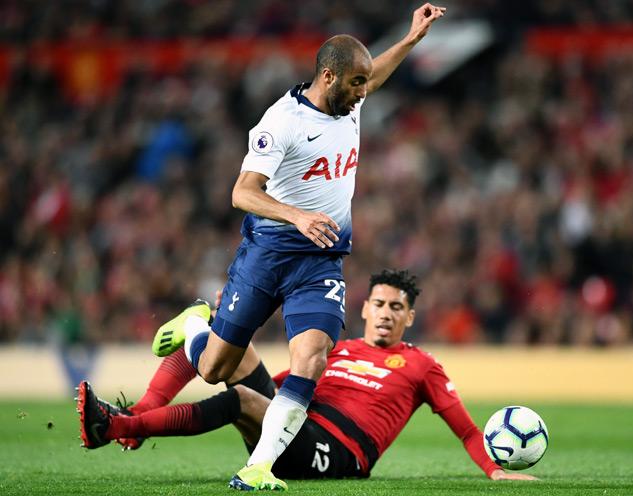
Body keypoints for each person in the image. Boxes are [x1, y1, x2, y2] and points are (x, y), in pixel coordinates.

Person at [149, 4, 447, 491]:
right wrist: (297, 215)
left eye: (364, 83)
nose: (363, 92)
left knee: (312, 355)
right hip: (267, 253)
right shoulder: (282, 121)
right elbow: (241, 192)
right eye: (354, 83)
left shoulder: (351, 99)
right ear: (328, 76)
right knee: (212, 368)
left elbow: (378, 75)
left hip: (321, 259)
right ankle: (196, 324)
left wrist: (412, 39)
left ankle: (258, 467)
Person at [80, 270, 535, 483]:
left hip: (338, 454)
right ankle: (141, 411)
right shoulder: (339, 350)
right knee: (230, 346)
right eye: (378, 304)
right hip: (296, 426)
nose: (385, 314)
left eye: (396, 308)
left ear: (409, 317)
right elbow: (285, 385)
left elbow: (467, 428)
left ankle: (120, 426)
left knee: (242, 398)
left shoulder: (422, 365)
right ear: (364, 308)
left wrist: (495, 472)